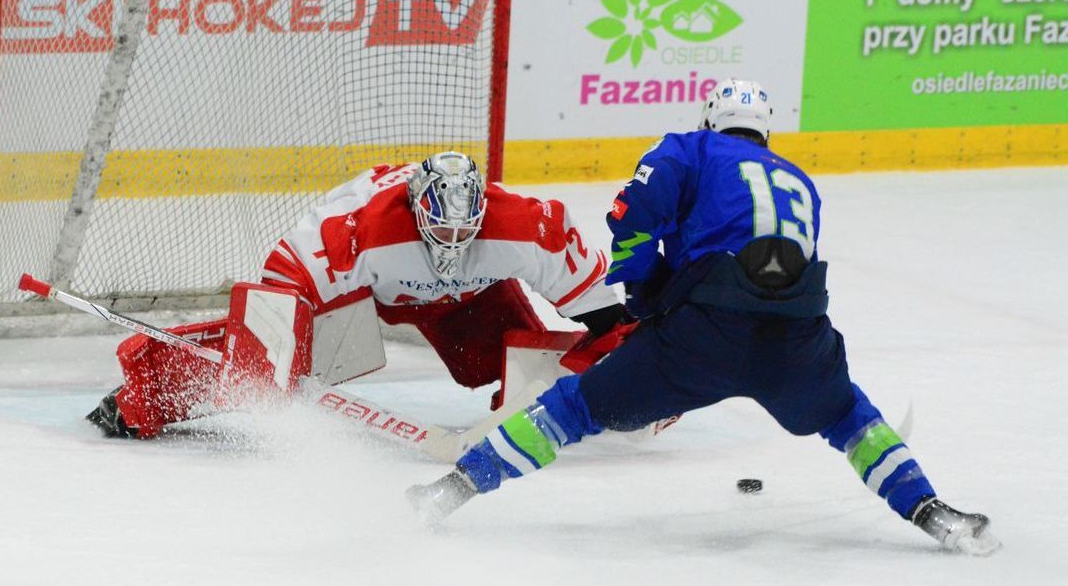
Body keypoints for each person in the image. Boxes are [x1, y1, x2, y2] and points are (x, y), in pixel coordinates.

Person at [406, 79, 1001, 556]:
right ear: (766, 132)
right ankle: (931, 510)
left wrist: (642, 293)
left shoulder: (689, 149)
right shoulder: (801, 181)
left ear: (709, 120)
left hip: (700, 338)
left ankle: (453, 488)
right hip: (795, 341)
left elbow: (633, 214)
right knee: (848, 413)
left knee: (576, 407)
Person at [86, 151, 628, 439]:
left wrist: (631, 373)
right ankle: (150, 388)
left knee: (493, 366)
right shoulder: (359, 232)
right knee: (273, 363)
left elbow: (604, 309)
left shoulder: (530, 228)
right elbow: (281, 284)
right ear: (417, 211)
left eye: (467, 232)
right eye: (441, 231)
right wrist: (272, 356)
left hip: (470, 298)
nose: (454, 244)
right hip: (370, 294)